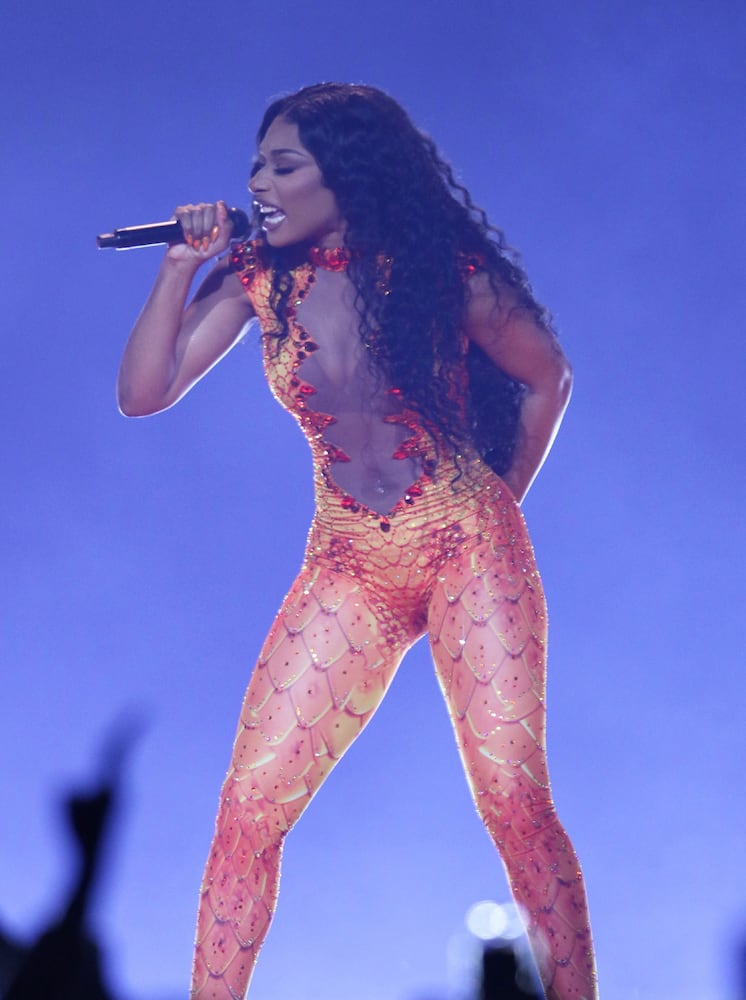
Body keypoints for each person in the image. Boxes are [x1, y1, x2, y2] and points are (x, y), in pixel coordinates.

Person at [117, 83, 598, 1000]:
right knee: (248, 809)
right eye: (256, 166)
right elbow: (144, 394)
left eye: (282, 166)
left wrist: (496, 509)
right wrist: (179, 266)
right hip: (348, 563)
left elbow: (548, 377)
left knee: (512, 800)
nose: (258, 184)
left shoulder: (440, 270)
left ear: (346, 175)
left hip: (464, 541)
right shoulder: (255, 277)